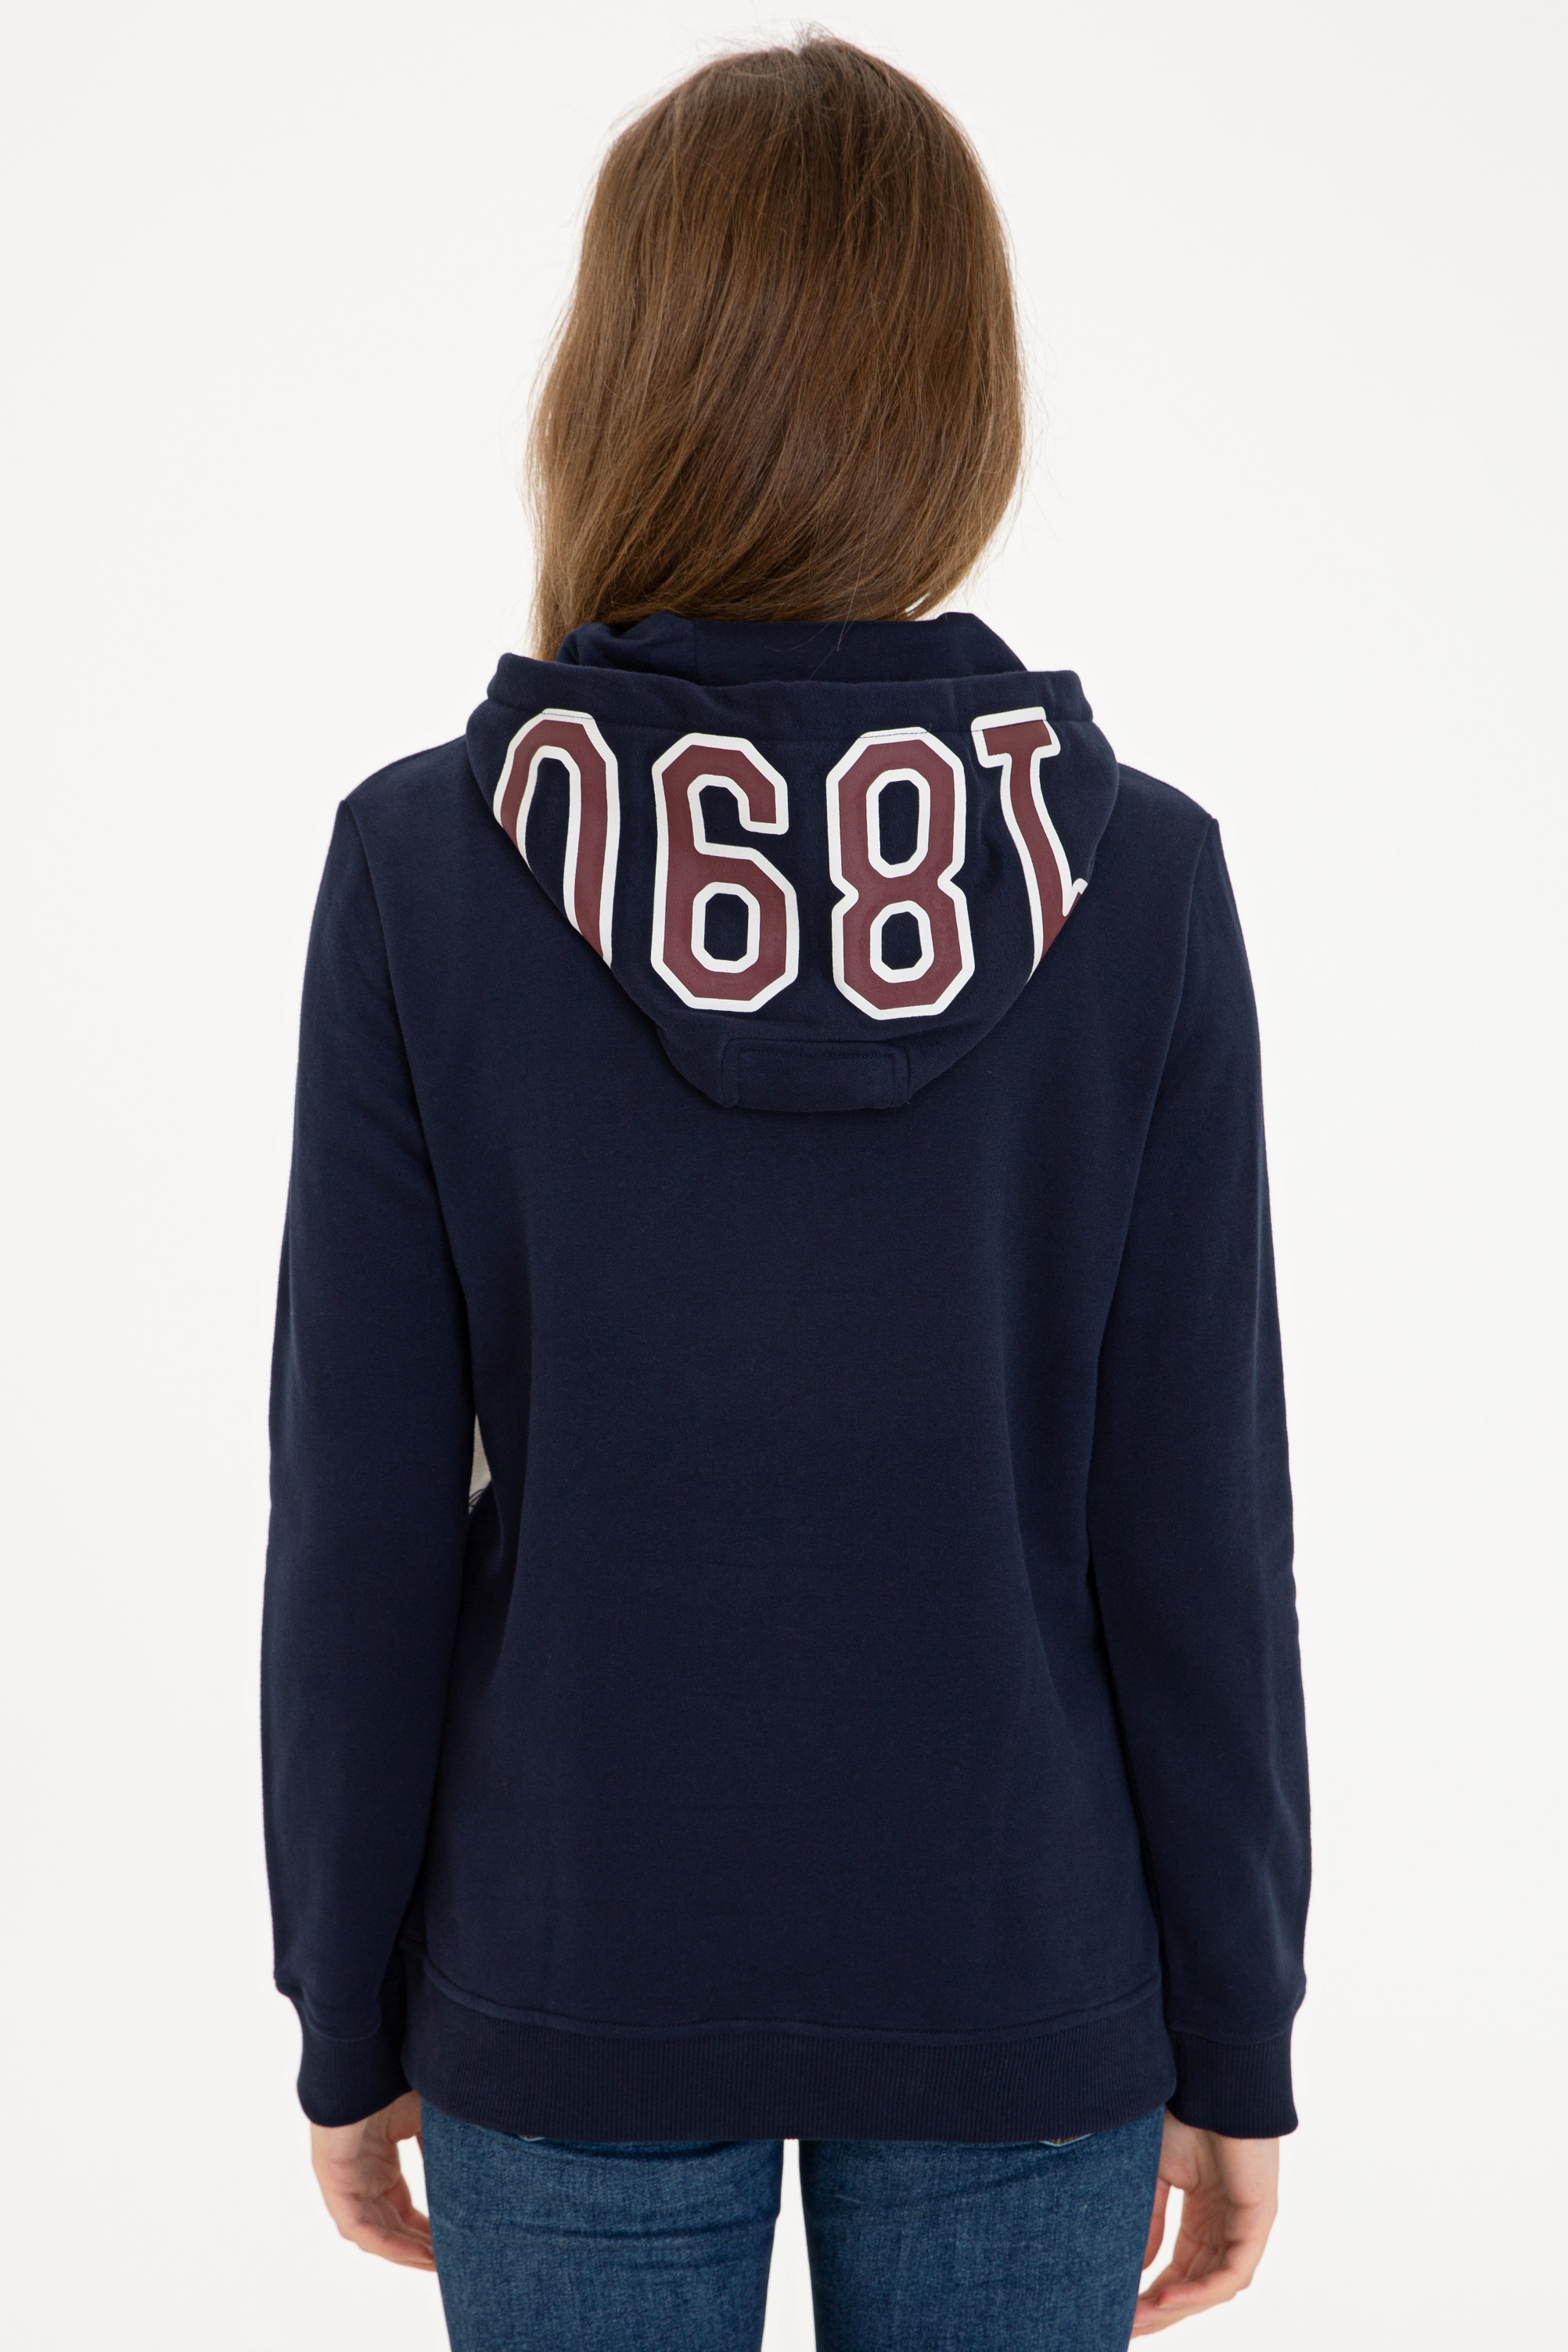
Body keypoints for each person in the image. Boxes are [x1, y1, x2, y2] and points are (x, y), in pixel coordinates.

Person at [263, 34, 1309, 2351]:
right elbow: (1196, 1526)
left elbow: (355, 1510)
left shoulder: (430, 865)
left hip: (568, 1961)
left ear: (616, 375)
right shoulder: (1132, 880)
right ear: (960, 394)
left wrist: (345, 1999)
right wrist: (1237, 2031)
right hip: (1019, 1964)